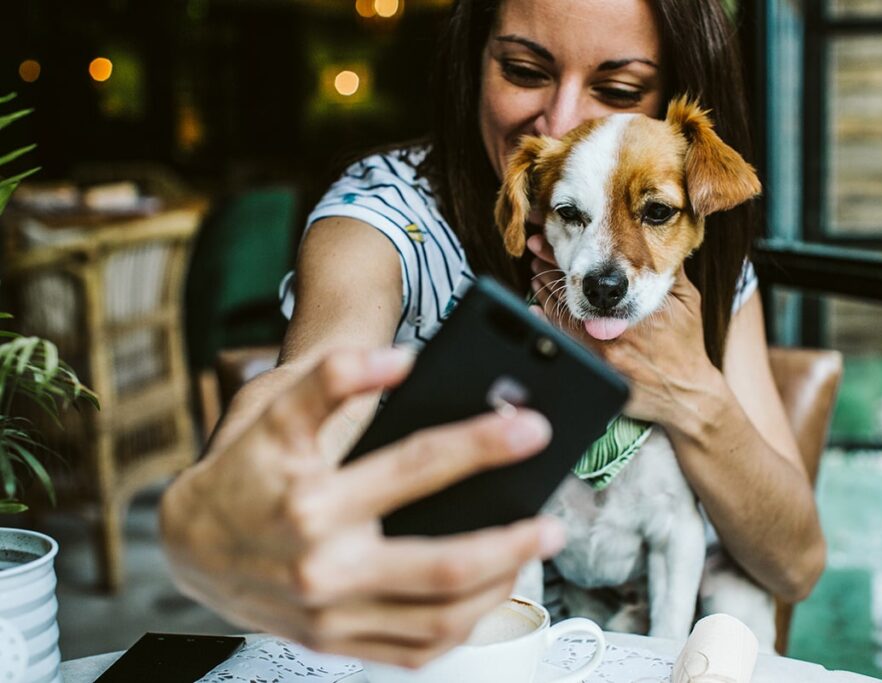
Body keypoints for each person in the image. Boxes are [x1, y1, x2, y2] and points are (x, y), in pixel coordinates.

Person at [160, 0, 826, 667]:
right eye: (524, 69)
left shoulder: (695, 238)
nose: (563, 120)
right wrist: (230, 495)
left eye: (618, 90)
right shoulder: (388, 216)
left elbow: (793, 564)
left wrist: (690, 392)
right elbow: (315, 374)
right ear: (473, 62)